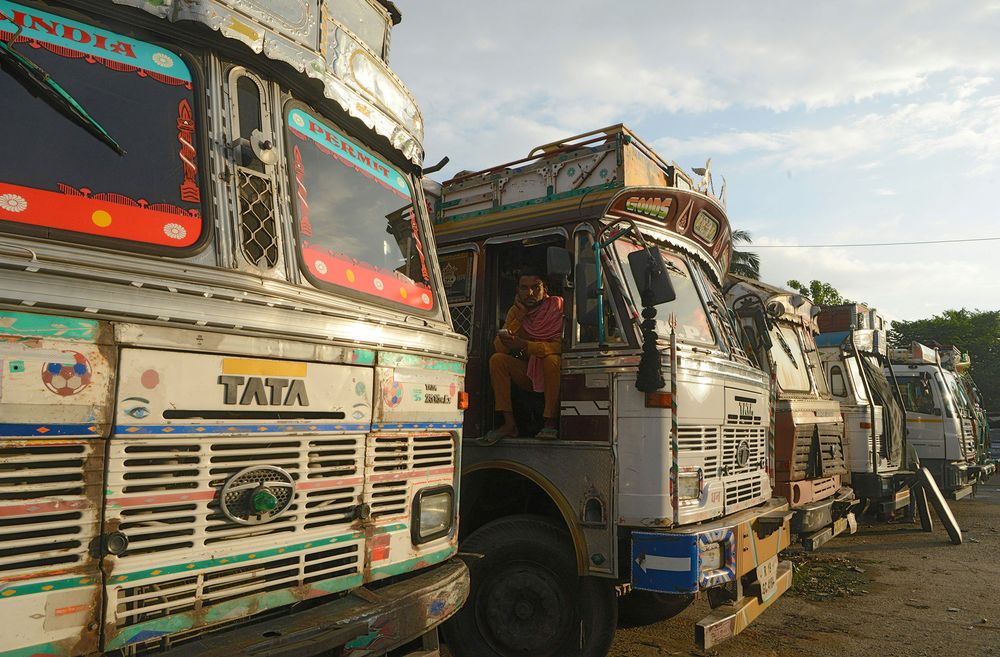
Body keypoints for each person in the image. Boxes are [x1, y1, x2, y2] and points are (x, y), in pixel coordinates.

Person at [485, 269, 564, 442]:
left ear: (545, 288)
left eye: (536, 287)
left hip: (553, 372)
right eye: (524, 288)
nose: (529, 293)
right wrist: (519, 317)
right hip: (528, 372)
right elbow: (500, 347)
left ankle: (550, 422)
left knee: (551, 360)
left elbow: (559, 346)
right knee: (497, 360)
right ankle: (509, 424)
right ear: (517, 291)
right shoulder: (516, 311)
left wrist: (526, 346)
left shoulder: (557, 306)